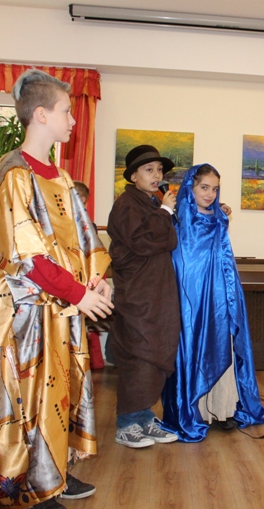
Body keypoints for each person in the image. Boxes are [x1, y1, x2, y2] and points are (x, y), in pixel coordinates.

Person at [0, 70, 112, 509]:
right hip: (26, 306)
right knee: (28, 394)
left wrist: (97, 280)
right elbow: (27, 256)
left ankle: (52, 472)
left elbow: (85, 241)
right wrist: (79, 295)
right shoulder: (14, 174)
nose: (73, 120)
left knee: (57, 392)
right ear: (41, 115)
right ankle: (31, 488)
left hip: (60, 304)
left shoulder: (62, 179)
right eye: (66, 111)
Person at [161, 163, 264, 442]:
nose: (209, 194)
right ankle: (196, 411)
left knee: (223, 345)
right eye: (204, 187)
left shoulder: (219, 218)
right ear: (191, 187)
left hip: (220, 295)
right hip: (191, 298)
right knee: (194, 347)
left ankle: (223, 409)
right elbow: (181, 260)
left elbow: (223, 257)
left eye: (215, 189)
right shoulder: (180, 218)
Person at [107, 145, 180, 449]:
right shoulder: (126, 204)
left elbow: (169, 240)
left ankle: (145, 417)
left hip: (157, 293)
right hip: (138, 296)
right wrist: (164, 212)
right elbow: (141, 241)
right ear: (133, 176)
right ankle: (127, 424)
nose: (156, 175)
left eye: (159, 170)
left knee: (155, 353)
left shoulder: (151, 203)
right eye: (149, 170)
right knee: (139, 355)